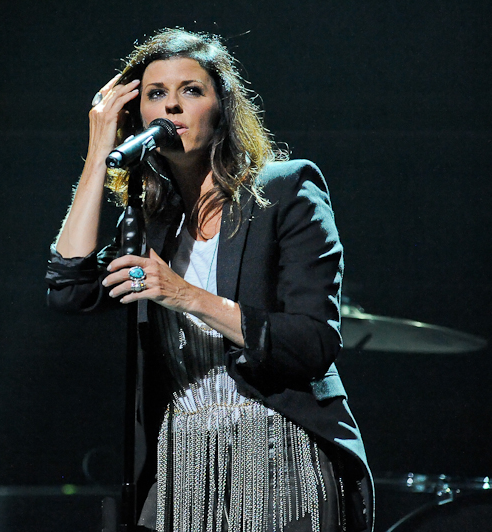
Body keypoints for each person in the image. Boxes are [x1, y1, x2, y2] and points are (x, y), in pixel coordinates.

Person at [45, 28, 373, 532]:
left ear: (221, 107)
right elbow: (69, 289)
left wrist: (186, 295)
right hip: (183, 462)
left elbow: (313, 341)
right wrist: (97, 155)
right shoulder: (153, 222)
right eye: (156, 94)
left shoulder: (286, 191)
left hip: (278, 449)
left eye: (191, 91)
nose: (171, 107)